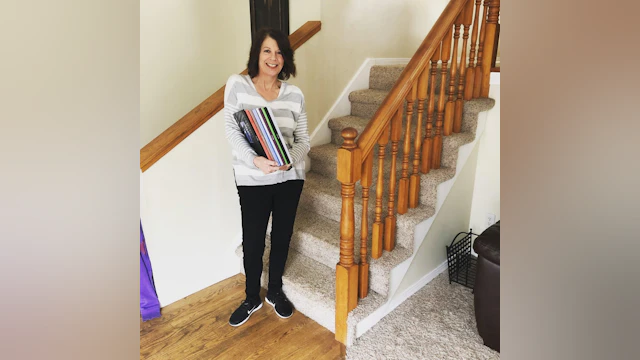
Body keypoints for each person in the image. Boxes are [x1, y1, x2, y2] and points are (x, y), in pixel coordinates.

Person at [224, 28, 310, 327]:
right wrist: (255, 160)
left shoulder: (295, 94)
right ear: (256, 54)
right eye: (267, 51)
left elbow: (303, 139)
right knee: (253, 240)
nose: (274, 57)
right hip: (252, 179)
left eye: (279, 52)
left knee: (283, 236)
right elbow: (232, 130)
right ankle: (251, 297)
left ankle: (274, 291)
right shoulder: (238, 85)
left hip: (290, 178)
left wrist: (289, 161)